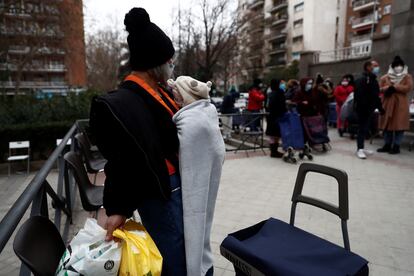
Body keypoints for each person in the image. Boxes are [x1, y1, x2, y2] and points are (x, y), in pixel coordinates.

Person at [89, 8, 186, 275]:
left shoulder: (157, 92)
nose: (171, 65)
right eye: (169, 61)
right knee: (173, 254)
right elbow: (123, 159)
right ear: (156, 64)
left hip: (173, 188)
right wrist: (118, 208)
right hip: (161, 194)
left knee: (180, 249)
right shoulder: (127, 102)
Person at [168, 76, 225, 276]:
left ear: (185, 94)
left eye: (176, 94)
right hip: (205, 172)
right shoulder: (205, 112)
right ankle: (199, 264)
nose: (174, 98)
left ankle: (196, 268)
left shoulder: (194, 120)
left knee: (198, 218)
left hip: (199, 182)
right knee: (201, 224)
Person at [377, 56, 413, 154]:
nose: (398, 67)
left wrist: (395, 87)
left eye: (400, 65)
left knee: (399, 126)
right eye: (396, 65)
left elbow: (408, 87)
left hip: (400, 105)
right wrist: (387, 89)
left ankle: (396, 146)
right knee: (387, 125)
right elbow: (379, 89)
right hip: (387, 103)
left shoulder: (407, 76)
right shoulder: (385, 77)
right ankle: (387, 144)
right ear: (392, 67)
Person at [354, 60, 385, 159]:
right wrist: (364, 108)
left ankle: (362, 147)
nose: (377, 68)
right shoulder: (362, 80)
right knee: (361, 129)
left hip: (370, 110)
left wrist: (380, 108)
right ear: (368, 67)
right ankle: (359, 149)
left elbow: (376, 96)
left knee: (365, 129)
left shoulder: (373, 80)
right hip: (363, 110)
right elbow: (359, 96)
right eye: (374, 66)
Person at [266, 79, 287, 158]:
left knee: (272, 135)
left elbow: (267, 105)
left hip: (270, 116)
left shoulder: (270, 93)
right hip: (278, 116)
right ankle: (274, 152)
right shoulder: (280, 93)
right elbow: (282, 106)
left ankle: (273, 151)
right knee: (276, 135)